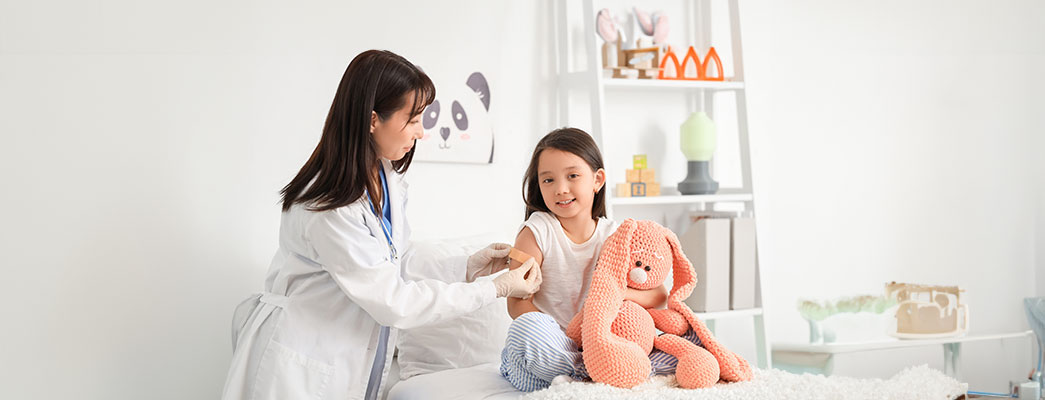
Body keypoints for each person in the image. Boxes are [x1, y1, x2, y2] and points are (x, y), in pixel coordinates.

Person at [221, 49, 542, 400]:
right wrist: (493, 289)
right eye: (414, 119)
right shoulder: (328, 206)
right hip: (300, 369)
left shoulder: (384, 177)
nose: (421, 132)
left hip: (344, 360)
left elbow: (394, 262)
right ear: (373, 119)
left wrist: (467, 267)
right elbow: (392, 300)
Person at [498, 128, 701, 392]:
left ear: (597, 180)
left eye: (572, 176)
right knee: (526, 331)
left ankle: (605, 367)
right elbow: (516, 304)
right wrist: (571, 342)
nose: (561, 189)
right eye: (548, 180)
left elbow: (659, 295)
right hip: (556, 343)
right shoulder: (535, 232)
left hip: (603, 340)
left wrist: (612, 299)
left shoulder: (617, 234)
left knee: (690, 339)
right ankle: (596, 370)